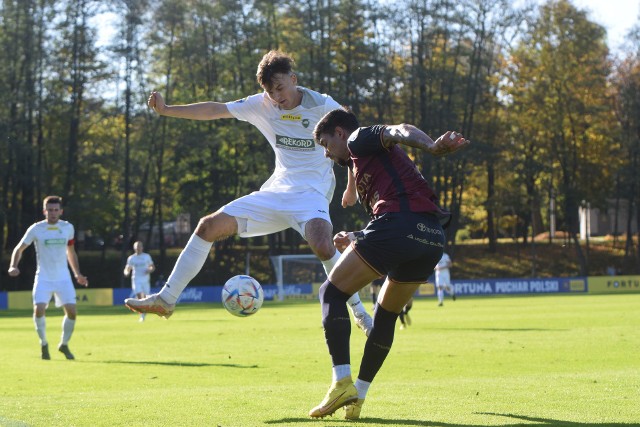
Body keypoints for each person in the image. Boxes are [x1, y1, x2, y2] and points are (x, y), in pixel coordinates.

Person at [124, 50, 372, 334]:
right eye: (269, 91)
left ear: (293, 79)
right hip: (277, 190)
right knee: (208, 225)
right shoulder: (262, 105)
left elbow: (354, 139)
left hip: (312, 192)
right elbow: (215, 109)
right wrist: (168, 110)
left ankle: (361, 314)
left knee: (322, 244)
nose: (276, 96)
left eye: (280, 87)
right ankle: (166, 299)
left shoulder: (323, 104)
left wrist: (352, 185)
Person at [308, 108, 469, 420]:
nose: (328, 154)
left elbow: (400, 129)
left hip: (401, 228)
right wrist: (357, 235)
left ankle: (342, 382)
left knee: (331, 294)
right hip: (431, 238)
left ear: (340, 133)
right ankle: (358, 398)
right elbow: (399, 209)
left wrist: (432, 146)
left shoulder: (357, 138)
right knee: (385, 317)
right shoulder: (372, 164)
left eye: (326, 144)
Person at [7, 195, 89, 360]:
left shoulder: (67, 228)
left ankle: (64, 344)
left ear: (61, 211)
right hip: (43, 277)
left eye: (56, 210)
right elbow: (19, 248)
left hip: (63, 278)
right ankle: (43, 343)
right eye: (50, 210)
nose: (53, 213)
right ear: (45, 211)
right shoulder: (36, 229)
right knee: (39, 309)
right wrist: (13, 265)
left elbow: (70, 252)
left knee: (72, 312)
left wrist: (77, 274)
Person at [124, 241, 155, 322]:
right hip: (136, 279)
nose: (138, 248)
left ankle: (143, 313)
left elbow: (152, 267)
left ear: (142, 247)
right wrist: (126, 272)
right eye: (136, 247)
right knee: (139, 296)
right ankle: (142, 314)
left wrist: (149, 270)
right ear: (134, 248)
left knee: (145, 298)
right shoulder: (131, 258)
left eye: (139, 246)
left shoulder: (146, 256)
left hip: (145, 279)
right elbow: (127, 268)